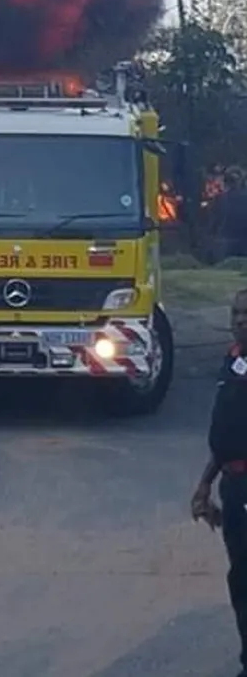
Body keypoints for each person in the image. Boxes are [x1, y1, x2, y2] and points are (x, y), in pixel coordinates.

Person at [191, 288, 247, 677]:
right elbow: (224, 433)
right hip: (233, 484)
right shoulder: (232, 362)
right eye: (235, 313)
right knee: (240, 577)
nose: (240, 320)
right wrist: (204, 485)